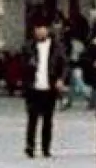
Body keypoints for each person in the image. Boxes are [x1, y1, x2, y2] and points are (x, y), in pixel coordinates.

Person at [22, 18, 67, 158]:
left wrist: (61, 79)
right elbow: (23, 65)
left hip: (50, 86)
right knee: (32, 118)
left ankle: (45, 147)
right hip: (33, 87)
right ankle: (30, 146)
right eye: (38, 29)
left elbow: (63, 64)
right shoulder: (28, 47)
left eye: (43, 29)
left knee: (48, 119)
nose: (40, 32)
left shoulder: (56, 47)